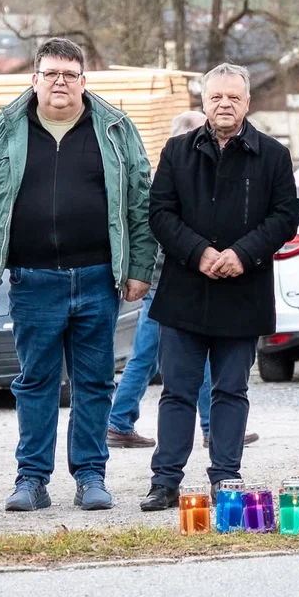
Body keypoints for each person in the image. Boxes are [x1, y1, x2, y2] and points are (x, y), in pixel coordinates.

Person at [0, 37, 155, 513]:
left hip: (97, 278)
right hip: (33, 281)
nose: (60, 83)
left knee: (94, 383)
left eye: (70, 75)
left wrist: (139, 267)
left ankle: (91, 476)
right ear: (35, 79)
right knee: (35, 382)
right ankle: (31, 478)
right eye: (51, 74)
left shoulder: (115, 128)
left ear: (84, 82)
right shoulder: (6, 127)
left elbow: (139, 198)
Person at [139, 64, 298, 512]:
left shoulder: (272, 155)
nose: (224, 104)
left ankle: (226, 476)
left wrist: (242, 254)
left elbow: (284, 216)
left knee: (231, 391)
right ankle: (165, 481)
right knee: (177, 392)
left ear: (247, 102)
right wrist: (200, 253)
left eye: (233, 97)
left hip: (243, 292)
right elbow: (160, 214)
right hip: (185, 290)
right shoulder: (176, 152)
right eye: (216, 97)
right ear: (203, 102)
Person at [107, 110, 261, 452]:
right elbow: (161, 229)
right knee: (157, 356)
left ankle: (122, 420)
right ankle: (204, 426)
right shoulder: (173, 173)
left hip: (169, 282)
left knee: (146, 355)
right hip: (167, 283)